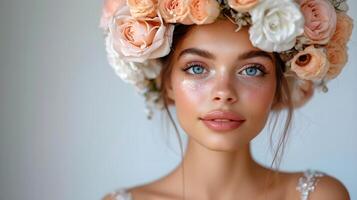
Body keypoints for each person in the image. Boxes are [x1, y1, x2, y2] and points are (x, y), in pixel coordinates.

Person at [99, 0, 353, 199]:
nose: (224, 92)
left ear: (278, 86)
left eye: (252, 69)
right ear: (167, 84)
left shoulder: (320, 196)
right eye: (197, 68)